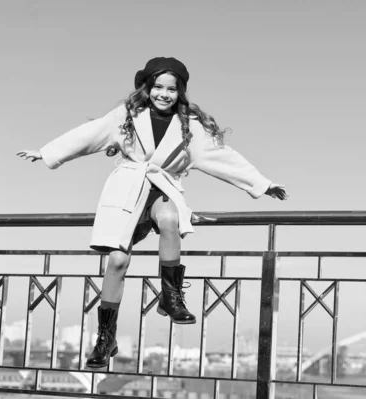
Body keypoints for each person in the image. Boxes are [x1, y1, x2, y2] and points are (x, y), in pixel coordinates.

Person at [17, 56, 287, 369]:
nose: (163, 93)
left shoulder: (190, 127)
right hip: (128, 190)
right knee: (117, 261)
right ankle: (106, 337)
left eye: (171, 89)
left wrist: (261, 184)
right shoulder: (127, 115)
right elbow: (90, 134)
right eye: (158, 86)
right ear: (147, 87)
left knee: (170, 219)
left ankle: (170, 298)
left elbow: (223, 157)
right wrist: (48, 152)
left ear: (180, 92)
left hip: (162, 187)